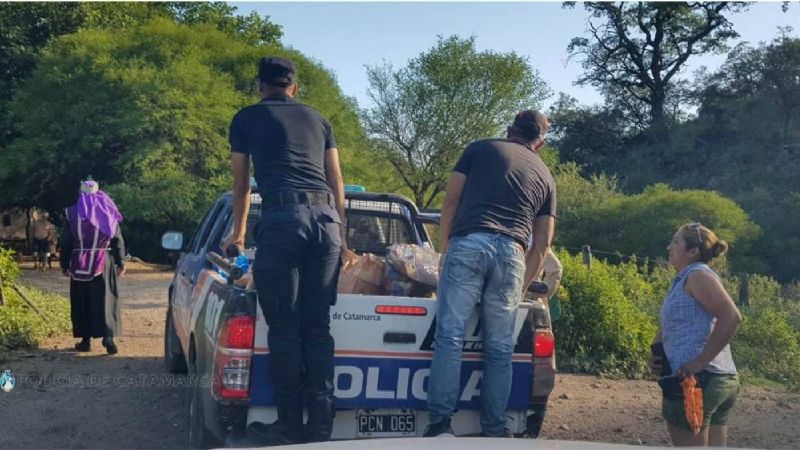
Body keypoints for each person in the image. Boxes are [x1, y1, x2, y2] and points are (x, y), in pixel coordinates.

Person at [222, 56, 346, 445]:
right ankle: (321, 427)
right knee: (318, 327)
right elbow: (336, 179)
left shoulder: (246, 119)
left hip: (283, 222)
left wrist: (238, 234)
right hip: (327, 224)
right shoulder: (319, 119)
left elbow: (241, 185)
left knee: (286, 328)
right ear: (295, 87)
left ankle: (290, 427)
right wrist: (343, 236)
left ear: (261, 85)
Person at [426, 110, 557, 438]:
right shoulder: (545, 176)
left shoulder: (479, 149)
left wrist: (445, 251)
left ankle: (441, 425)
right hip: (512, 253)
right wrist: (521, 287)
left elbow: (450, 203)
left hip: (469, 243)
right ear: (540, 143)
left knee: (450, 335)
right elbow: (543, 243)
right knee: (500, 347)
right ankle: (495, 430)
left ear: (510, 130)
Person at [652, 223, 742, 447]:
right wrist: (658, 350)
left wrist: (699, 362)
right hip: (715, 378)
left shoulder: (697, 275)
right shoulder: (685, 279)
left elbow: (731, 317)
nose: (669, 247)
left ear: (693, 251)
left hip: (697, 380)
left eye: (676, 242)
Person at [59, 180, 125, 354]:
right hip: (103, 262)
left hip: (79, 262)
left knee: (82, 300)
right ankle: (108, 338)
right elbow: (117, 239)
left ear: (80, 194)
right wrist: (121, 262)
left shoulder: (72, 213)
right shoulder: (108, 212)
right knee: (105, 300)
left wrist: (64, 264)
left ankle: (85, 340)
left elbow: (65, 241)